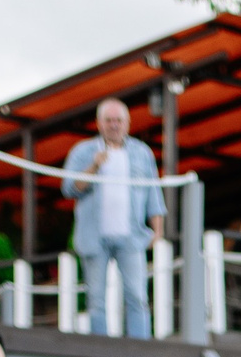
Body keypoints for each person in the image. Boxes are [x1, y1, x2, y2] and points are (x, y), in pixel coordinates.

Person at [62, 98, 165, 339]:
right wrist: (93, 167)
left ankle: (141, 346)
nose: (114, 125)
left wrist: (157, 229)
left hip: (131, 236)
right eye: (109, 120)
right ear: (99, 124)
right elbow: (69, 188)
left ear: (128, 123)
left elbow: (153, 192)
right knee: (96, 298)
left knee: (137, 295)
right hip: (93, 237)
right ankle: (100, 348)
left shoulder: (142, 153)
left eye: (119, 120)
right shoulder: (82, 151)